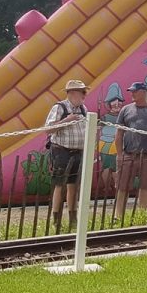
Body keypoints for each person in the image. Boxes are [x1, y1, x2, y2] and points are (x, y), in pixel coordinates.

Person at [113, 82, 147, 222]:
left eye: (135, 91)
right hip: (129, 154)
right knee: (122, 186)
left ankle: (142, 215)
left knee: (146, 186)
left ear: (144, 92)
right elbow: (119, 134)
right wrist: (119, 155)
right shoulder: (125, 110)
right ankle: (118, 216)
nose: (132, 94)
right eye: (131, 91)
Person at [44, 79, 89, 231]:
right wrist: (66, 120)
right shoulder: (59, 107)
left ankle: (72, 217)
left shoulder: (83, 109)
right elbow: (48, 129)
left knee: (73, 185)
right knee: (59, 185)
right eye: (82, 92)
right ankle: (56, 219)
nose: (84, 95)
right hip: (61, 150)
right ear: (72, 94)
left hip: (78, 151)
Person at [97, 97, 124, 193]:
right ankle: (108, 187)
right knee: (107, 167)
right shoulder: (104, 117)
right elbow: (98, 129)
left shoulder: (123, 116)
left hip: (118, 144)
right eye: (115, 103)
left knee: (116, 166)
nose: (117, 105)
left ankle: (116, 187)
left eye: (119, 103)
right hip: (106, 144)